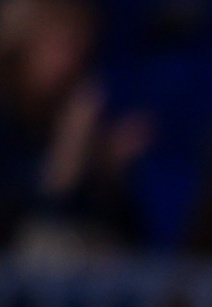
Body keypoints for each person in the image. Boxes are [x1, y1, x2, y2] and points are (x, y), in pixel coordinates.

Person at [0, 0, 146, 261]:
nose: (71, 61)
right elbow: (24, 219)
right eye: (58, 46)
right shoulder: (8, 120)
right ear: (23, 46)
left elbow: (124, 228)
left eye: (79, 49)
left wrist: (106, 169)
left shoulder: (82, 113)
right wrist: (68, 153)